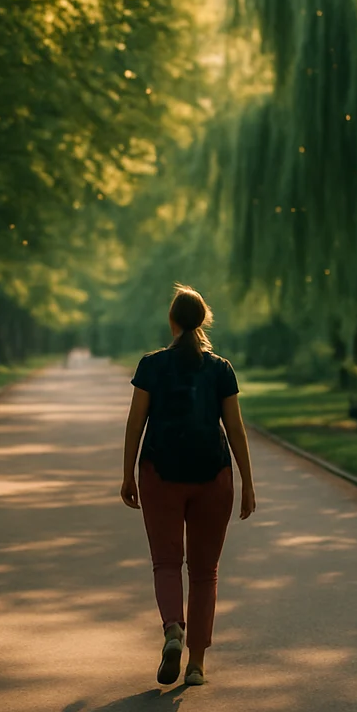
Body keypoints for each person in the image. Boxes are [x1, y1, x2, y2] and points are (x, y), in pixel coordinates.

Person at [120, 286, 256, 688]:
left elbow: (135, 424)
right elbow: (235, 429)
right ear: (203, 321)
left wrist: (128, 474)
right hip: (213, 477)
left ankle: (173, 630)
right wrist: (247, 481)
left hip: (160, 474)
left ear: (172, 321)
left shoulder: (151, 365)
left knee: (166, 562)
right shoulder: (221, 369)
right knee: (204, 572)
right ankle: (196, 665)